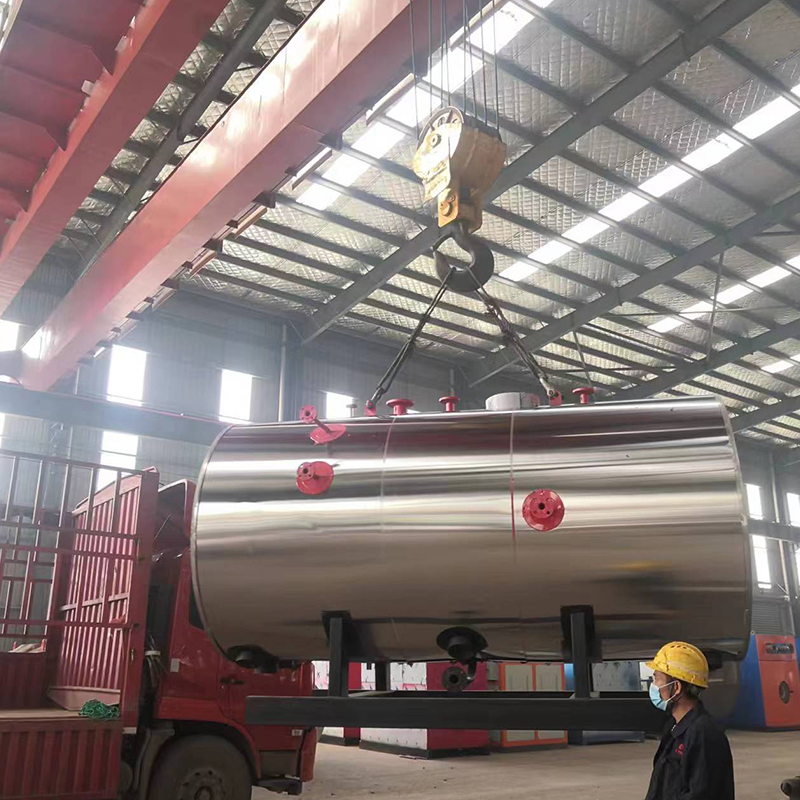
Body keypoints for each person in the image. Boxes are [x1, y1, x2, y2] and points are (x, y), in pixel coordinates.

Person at [644, 641, 734, 800]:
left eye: (657, 679)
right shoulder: (674, 727)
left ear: (676, 687)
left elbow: (700, 794)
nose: (654, 686)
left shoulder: (704, 733)